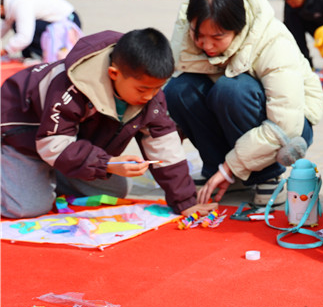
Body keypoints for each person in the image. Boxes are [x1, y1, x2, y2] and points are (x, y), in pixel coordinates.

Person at [0, 28, 215, 219]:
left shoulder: (149, 94)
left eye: (157, 88)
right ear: (114, 74)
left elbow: (165, 147)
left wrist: (186, 202)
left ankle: (45, 174)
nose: (149, 96)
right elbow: (52, 144)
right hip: (21, 138)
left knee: (115, 189)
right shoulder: (69, 86)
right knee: (26, 207)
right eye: (142, 89)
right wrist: (107, 163)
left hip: (63, 146)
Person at [164, 0, 323, 207]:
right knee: (179, 90)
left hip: (291, 127)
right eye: (198, 35)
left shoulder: (273, 41)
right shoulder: (185, 36)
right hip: (233, 112)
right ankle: (221, 172)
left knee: (231, 90)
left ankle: (267, 175)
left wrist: (230, 167)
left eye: (217, 37)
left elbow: (286, 124)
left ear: (238, 28)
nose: (206, 45)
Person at [1, 0, 82, 59]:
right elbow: (4, 26)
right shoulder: (11, 3)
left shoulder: (19, 4)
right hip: (57, 22)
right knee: (19, 25)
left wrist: (5, 51)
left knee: (19, 27)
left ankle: (40, 55)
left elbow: (24, 37)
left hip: (69, 24)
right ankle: (32, 55)